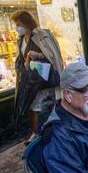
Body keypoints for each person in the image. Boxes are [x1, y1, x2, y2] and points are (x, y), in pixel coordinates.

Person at [11, 10, 63, 142]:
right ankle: (36, 132)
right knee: (33, 105)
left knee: (51, 102)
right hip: (31, 78)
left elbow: (52, 55)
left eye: (19, 24)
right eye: (16, 25)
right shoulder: (21, 39)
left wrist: (38, 55)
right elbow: (21, 57)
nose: (17, 28)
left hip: (45, 77)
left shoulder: (41, 35)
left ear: (27, 23)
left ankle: (57, 128)